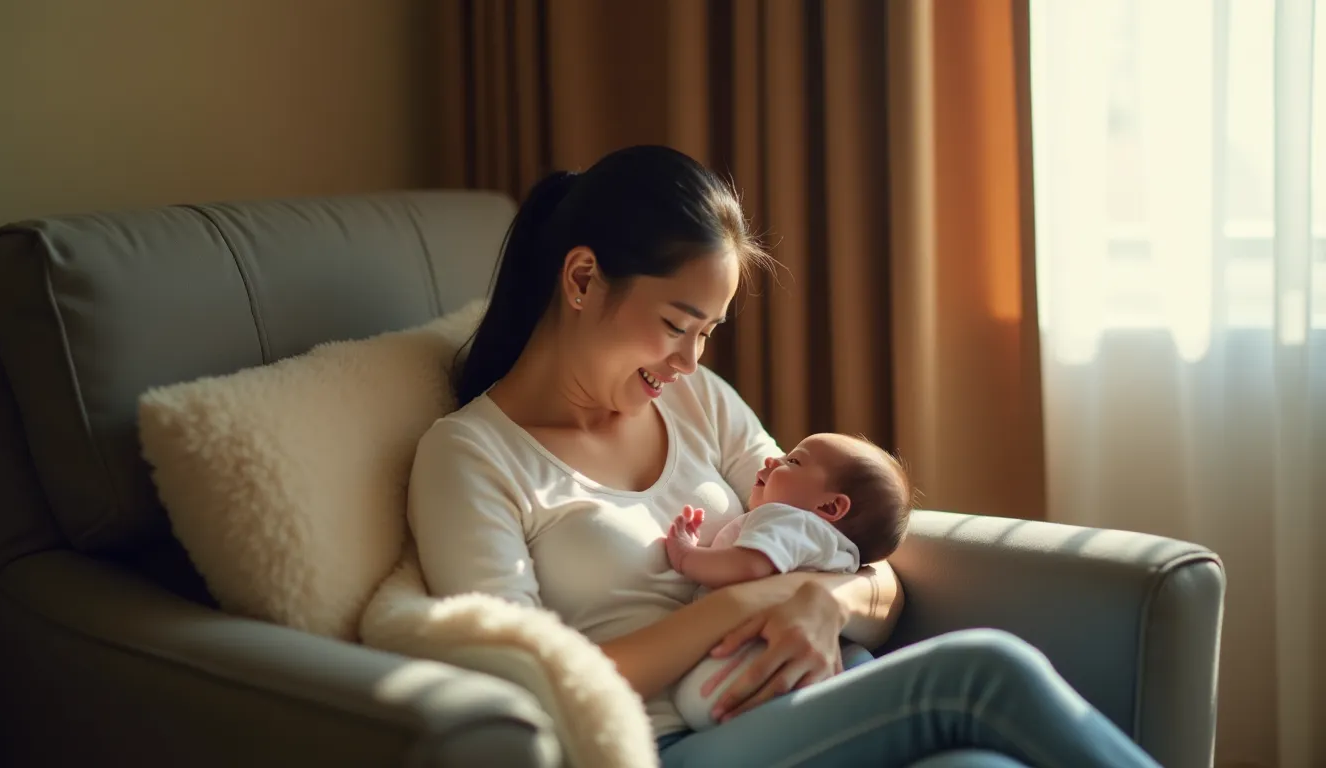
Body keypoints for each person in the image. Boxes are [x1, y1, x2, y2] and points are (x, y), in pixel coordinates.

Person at [407, 145, 1160, 767]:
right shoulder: (471, 458)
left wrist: (820, 603)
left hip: (803, 705)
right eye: (677, 323)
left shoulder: (697, 403)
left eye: (708, 333)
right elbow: (535, 685)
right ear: (581, 279)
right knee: (984, 671)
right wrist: (750, 601)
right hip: (662, 742)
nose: (690, 359)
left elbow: (872, 576)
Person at [663, 433, 913, 731]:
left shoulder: (786, 519)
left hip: (760, 653)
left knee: (696, 702)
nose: (772, 459)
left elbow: (747, 567)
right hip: (834, 652)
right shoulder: (836, 546)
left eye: (792, 460)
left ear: (831, 507)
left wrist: (686, 555)